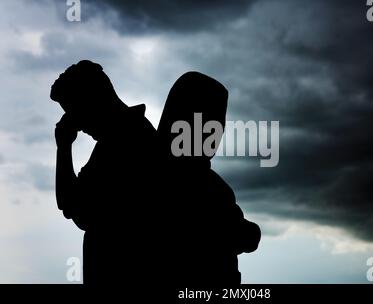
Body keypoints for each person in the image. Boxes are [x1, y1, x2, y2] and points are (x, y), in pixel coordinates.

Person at [51, 60, 158, 285]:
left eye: (74, 111)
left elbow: (73, 207)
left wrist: (64, 147)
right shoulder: (120, 139)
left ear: (93, 100)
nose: (76, 124)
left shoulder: (126, 141)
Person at [157, 71, 261, 285]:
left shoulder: (148, 169)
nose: (216, 134)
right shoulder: (208, 187)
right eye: (210, 125)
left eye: (218, 125)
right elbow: (245, 237)